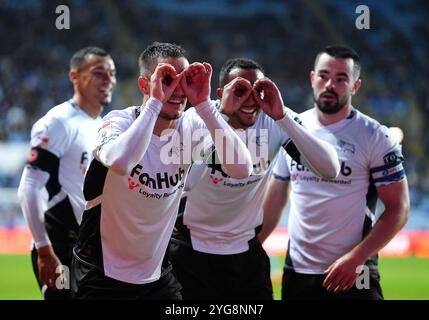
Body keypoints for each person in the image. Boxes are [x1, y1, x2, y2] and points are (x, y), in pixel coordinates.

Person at [70, 42, 254, 300]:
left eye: (185, 80)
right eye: (168, 79)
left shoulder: (190, 126)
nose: (178, 90)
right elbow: (121, 162)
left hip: (156, 277)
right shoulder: (119, 121)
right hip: (101, 273)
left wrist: (203, 104)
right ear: (145, 85)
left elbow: (242, 168)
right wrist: (155, 102)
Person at [169, 58, 340, 300]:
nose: (250, 100)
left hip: (246, 255)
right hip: (191, 252)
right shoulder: (199, 118)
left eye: (258, 90)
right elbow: (185, 182)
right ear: (220, 93)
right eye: (240, 90)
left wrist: (282, 116)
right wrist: (223, 116)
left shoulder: (275, 119)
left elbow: (330, 168)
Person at [261, 45, 410, 300]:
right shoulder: (292, 128)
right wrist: (253, 245)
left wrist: (357, 258)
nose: (330, 84)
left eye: (341, 79)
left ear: (355, 86)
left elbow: (400, 208)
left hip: (354, 271)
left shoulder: (375, 137)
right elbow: (276, 195)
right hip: (298, 271)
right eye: (323, 75)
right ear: (312, 78)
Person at [17, 47, 117, 299]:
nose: (109, 80)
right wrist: (43, 249)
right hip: (58, 245)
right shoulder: (59, 122)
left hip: (89, 248)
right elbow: (30, 186)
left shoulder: (102, 127)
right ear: (75, 76)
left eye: (112, 74)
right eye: (99, 73)